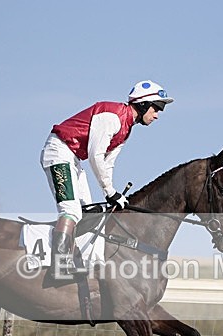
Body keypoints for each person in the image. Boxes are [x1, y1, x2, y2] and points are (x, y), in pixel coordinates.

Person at [40, 80, 173, 276]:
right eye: (156, 108)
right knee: (71, 210)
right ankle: (59, 265)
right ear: (143, 104)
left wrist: (112, 193)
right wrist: (110, 192)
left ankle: (76, 259)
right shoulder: (112, 117)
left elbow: (107, 164)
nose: (157, 115)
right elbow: (95, 156)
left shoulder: (126, 129)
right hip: (58, 152)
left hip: (73, 159)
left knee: (88, 212)